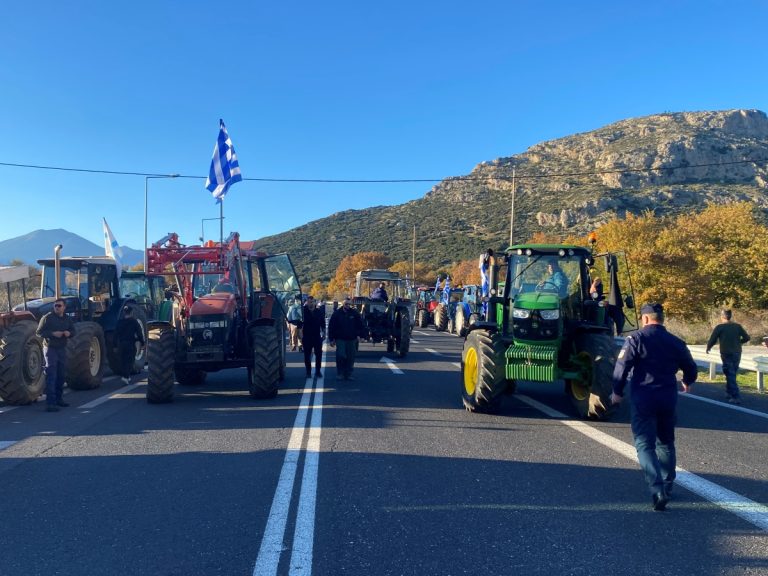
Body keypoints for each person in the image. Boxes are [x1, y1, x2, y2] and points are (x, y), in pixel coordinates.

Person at [611, 302, 697, 511]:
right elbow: (691, 367)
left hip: (644, 398)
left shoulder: (636, 339)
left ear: (646, 318)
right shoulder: (676, 341)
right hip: (668, 397)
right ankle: (667, 485)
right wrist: (687, 380)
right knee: (666, 442)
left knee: (644, 444)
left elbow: (622, 367)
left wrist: (617, 391)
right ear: (661, 318)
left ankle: (657, 489)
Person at [36, 298, 76, 412]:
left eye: (59, 306)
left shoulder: (67, 319)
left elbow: (73, 331)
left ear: (64, 307)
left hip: (62, 348)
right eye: (55, 306)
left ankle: (59, 399)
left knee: (61, 375)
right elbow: (38, 332)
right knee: (51, 375)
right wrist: (53, 334)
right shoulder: (47, 318)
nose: (56, 307)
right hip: (50, 349)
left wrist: (69, 333)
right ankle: (50, 403)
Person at [706, 309, 750, 404]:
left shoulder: (720, 327)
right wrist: (739, 342)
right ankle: (729, 392)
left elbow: (713, 339)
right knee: (732, 372)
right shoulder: (737, 326)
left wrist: (708, 347)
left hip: (726, 353)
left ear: (722, 316)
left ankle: (735, 396)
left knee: (730, 373)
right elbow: (747, 338)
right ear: (730, 316)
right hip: (737, 352)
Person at [328, 296, 365, 381]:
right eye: (346, 304)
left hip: (352, 339)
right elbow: (331, 327)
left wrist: (362, 335)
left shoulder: (354, 313)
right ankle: (340, 373)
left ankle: (348, 374)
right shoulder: (337, 314)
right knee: (341, 355)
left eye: (349, 304)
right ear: (343, 304)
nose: (347, 305)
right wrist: (331, 339)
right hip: (340, 338)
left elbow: (360, 325)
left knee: (351, 357)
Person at [115, 306, 145, 385]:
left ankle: (125, 376)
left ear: (124, 312)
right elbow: (139, 333)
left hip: (121, 344)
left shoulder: (119, 322)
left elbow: (115, 334)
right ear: (131, 312)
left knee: (123, 360)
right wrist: (142, 343)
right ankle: (126, 376)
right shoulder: (134, 322)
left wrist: (114, 345)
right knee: (130, 361)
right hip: (130, 344)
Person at [301, 295, 326, 378]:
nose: (310, 304)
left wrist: (324, 333)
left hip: (316, 336)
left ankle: (318, 371)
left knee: (318, 355)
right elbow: (299, 324)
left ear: (315, 303)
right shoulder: (303, 311)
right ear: (307, 303)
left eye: (312, 302)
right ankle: (308, 371)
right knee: (307, 355)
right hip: (307, 336)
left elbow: (323, 323)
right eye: (309, 302)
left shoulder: (319, 312)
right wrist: (299, 335)